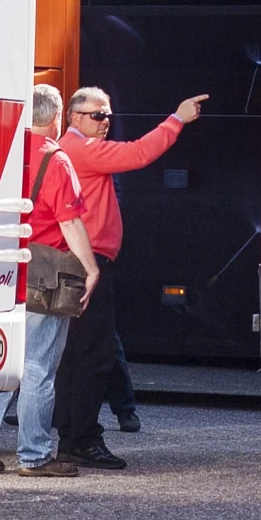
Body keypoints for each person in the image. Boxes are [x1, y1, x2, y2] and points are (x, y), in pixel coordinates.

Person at [47, 84, 208, 471]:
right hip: (88, 262)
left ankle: (71, 435)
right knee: (94, 354)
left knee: (74, 355)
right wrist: (176, 119)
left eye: (107, 115)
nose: (105, 121)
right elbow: (138, 153)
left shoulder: (69, 148)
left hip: (75, 260)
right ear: (74, 117)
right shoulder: (82, 149)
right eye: (97, 115)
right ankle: (81, 439)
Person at [0, 85, 87, 477]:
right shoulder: (56, 158)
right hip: (44, 274)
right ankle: (35, 454)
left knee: (10, 363)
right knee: (38, 367)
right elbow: (70, 221)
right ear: (57, 117)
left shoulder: (7, 151)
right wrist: (91, 267)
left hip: (3, 267)